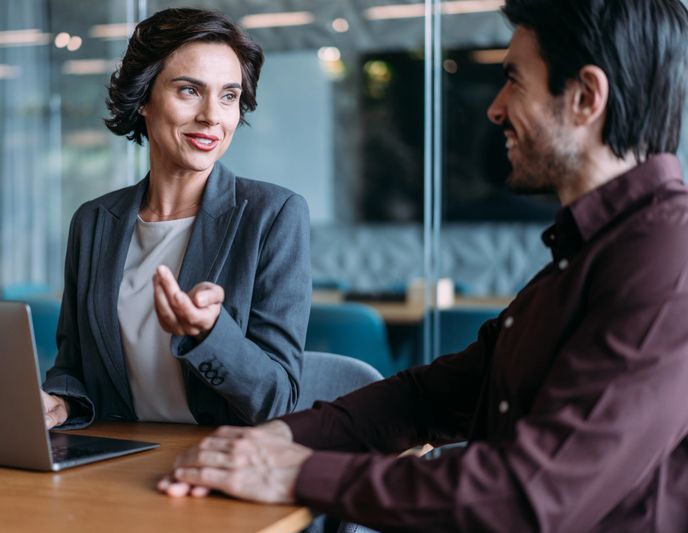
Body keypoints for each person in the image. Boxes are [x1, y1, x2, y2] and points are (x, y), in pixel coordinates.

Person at [159, 0, 688, 530]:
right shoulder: (596, 251)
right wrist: (278, 438)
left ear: (585, 98)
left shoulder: (667, 261)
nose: (495, 108)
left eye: (514, 80)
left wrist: (296, 472)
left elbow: (528, 496)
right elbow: (429, 397)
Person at [40, 8, 311, 430]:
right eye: (189, 90)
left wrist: (209, 334)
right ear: (144, 98)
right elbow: (75, 366)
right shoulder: (94, 222)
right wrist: (61, 401)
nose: (212, 116)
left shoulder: (273, 216)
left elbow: (278, 401)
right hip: (116, 460)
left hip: (215, 464)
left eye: (228, 96)